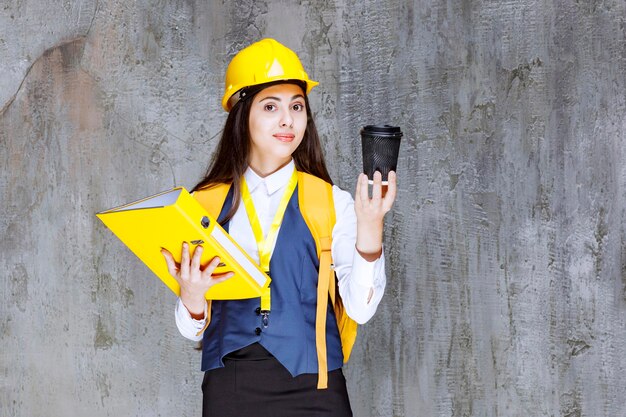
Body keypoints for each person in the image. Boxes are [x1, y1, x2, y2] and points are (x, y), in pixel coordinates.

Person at [161, 38, 397, 417]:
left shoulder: (331, 202)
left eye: (297, 106)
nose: (288, 120)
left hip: (316, 388)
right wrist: (191, 297)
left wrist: (371, 227)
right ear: (242, 114)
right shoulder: (203, 204)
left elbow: (360, 310)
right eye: (271, 106)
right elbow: (191, 331)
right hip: (230, 389)